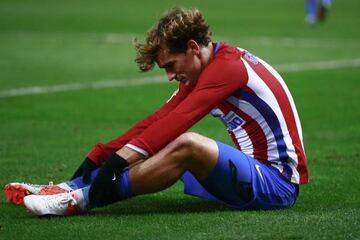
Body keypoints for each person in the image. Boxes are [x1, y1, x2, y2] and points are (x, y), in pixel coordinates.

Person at [4, 7, 309, 216]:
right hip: (249, 174)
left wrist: (116, 164)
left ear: (192, 47)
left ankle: (80, 200)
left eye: (170, 66)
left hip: (277, 184)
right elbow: (159, 120)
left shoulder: (228, 69)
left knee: (187, 144)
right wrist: (100, 156)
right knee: (160, 140)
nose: (169, 76)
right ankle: (65, 187)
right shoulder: (210, 66)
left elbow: (177, 123)